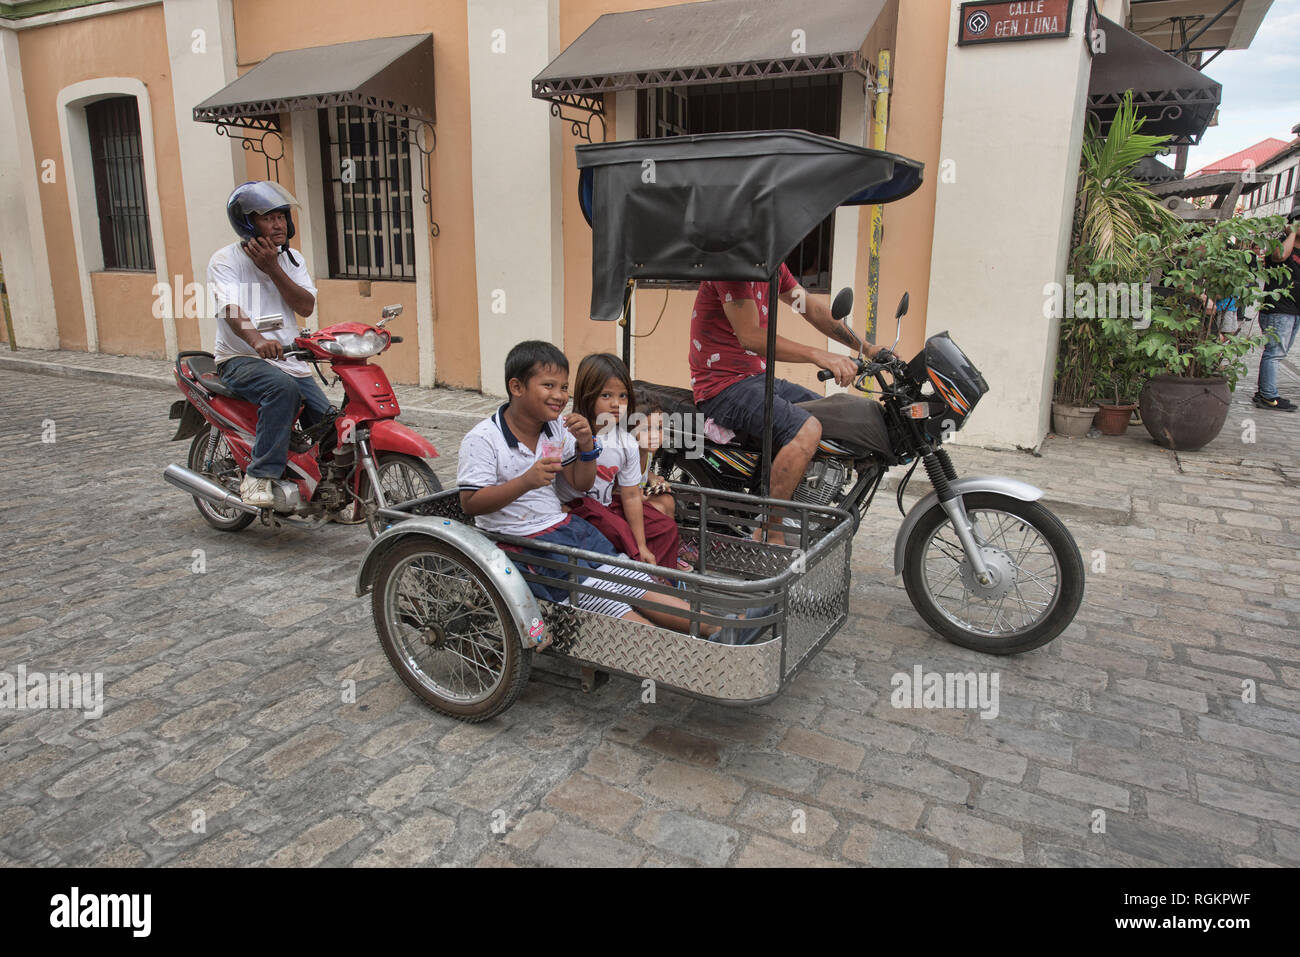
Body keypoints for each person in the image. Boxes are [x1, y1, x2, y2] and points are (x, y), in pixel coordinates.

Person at [457, 341, 758, 644]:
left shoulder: (556, 429)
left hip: (567, 529)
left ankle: (721, 626)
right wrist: (525, 481)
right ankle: (684, 650)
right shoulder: (484, 438)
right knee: (602, 595)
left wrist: (587, 447)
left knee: (630, 577)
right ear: (517, 387)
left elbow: (581, 484)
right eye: (549, 386)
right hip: (521, 541)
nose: (560, 396)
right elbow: (470, 504)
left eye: (564, 387)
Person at [689, 262, 890, 542]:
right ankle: (770, 531)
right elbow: (751, 337)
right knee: (804, 429)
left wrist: (866, 347)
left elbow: (811, 309)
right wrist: (817, 354)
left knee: (836, 418)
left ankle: (808, 501)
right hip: (722, 385)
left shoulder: (773, 268)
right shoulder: (734, 267)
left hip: (755, 378)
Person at [209, 181, 333, 505]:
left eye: (282, 216)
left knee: (331, 421)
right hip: (239, 358)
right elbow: (230, 309)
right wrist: (257, 340)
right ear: (248, 222)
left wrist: (274, 268)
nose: (278, 223)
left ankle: (331, 489)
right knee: (282, 390)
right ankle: (259, 476)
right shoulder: (225, 260)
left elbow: (305, 306)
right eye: (268, 217)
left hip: (289, 360)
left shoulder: (291, 260)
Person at [556, 353, 686, 571]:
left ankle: (662, 582)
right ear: (588, 395)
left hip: (606, 508)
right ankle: (642, 582)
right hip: (575, 508)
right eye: (606, 395)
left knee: (664, 528)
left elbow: (631, 495)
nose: (617, 404)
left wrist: (643, 545)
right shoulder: (566, 431)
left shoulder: (626, 442)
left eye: (623, 396)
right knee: (620, 532)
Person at [1254, 205, 1300, 412]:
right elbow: (1280, 257)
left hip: (1294, 311)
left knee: (1279, 352)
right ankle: (1268, 396)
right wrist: (1291, 234)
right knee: (1274, 352)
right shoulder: (1280, 245)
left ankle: (1265, 390)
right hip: (1278, 309)